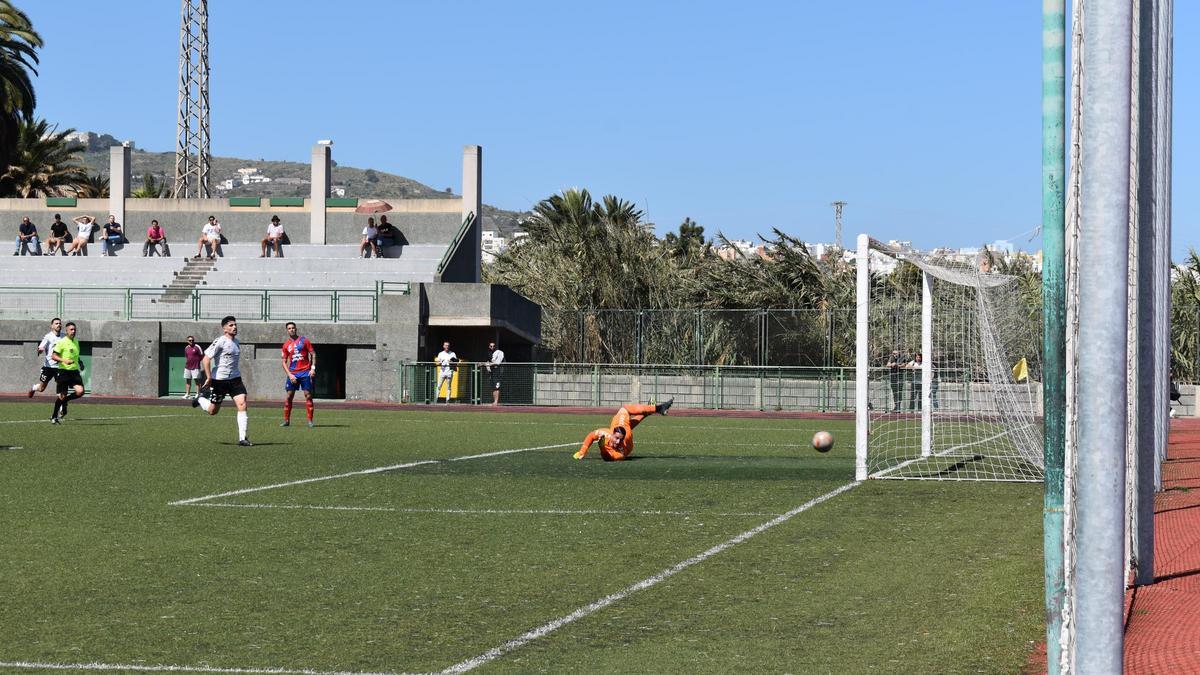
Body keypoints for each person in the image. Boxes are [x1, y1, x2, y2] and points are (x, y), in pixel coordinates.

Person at [191, 315, 252, 446]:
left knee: (242, 403)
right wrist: (208, 377)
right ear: (224, 328)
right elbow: (206, 359)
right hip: (220, 380)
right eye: (231, 325)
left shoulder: (237, 342)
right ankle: (200, 399)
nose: (234, 327)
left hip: (235, 379)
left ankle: (242, 439)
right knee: (213, 411)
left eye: (235, 325)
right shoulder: (220, 341)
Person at [574, 398, 674, 461]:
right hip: (626, 436)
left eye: (620, 439)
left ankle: (655, 409)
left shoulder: (621, 449)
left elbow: (607, 458)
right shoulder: (622, 450)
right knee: (626, 412)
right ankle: (657, 408)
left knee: (625, 411)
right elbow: (591, 435)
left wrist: (602, 447)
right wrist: (582, 451)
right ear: (612, 433)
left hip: (626, 434)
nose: (618, 442)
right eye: (617, 438)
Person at [280, 321, 317, 427]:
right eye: (289, 328)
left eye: (293, 328)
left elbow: (313, 354)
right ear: (287, 330)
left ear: (296, 329)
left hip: (305, 372)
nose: (291, 330)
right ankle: (286, 421)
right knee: (289, 397)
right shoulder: (286, 345)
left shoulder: (304, 340)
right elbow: (283, 361)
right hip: (293, 374)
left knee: (308, 395)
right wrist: (290, 375)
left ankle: (310, 421)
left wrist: (313, 368)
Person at [49, 322, 85, 424]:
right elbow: (54, 356)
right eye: (71, 330)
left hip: (74, 371)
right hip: (63, 371)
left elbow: (76, 356)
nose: (73, 331)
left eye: (74, 329)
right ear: (67, 331)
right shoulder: (62, 342)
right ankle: (54, 416)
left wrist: (80, 363)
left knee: (80, 391)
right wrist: (64, 360)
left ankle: (65, 402)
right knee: (62, 396)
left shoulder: (76, 341)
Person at [27, 317, 62, 398]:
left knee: (61, 386)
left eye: (60, 323)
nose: (59, 325)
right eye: (56, 323)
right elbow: (39, 349)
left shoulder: (64, 336)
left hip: (60, 366)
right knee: (42, 388)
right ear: (52, 326)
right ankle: (34, 388)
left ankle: (62, 407)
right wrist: (40, 350)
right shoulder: (48, 337)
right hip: (48, 367)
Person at [485, 340, 504, 405]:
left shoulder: (499, 352)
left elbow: (497, 363)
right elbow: (488, 362)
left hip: (497, 372)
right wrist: (488, 369)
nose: (492, 347)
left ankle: (496, 401)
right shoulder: (488, 353)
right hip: (492, 372)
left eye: (493, 346)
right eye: (491, 346)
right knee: (493, 387)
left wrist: (486, 364)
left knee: (497, 387)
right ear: (489, 346)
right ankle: (494, 401)